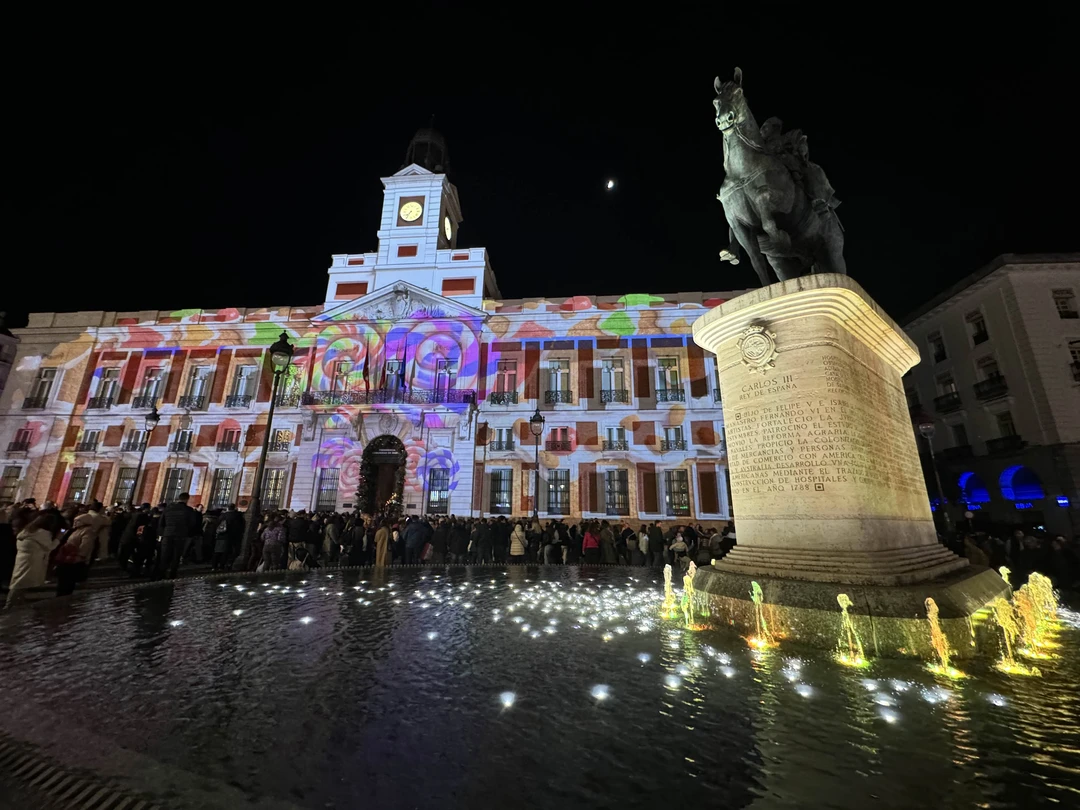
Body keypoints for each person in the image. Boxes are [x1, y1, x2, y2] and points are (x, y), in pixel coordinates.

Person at [6, 510, 63, 606]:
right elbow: (50, 547)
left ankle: (18, 600)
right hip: (32, 560)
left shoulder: (28, 529)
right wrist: (58, 538)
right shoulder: (42, 533)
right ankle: (10, 603)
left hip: (22, 558)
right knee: (20, 583)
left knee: (19, 580)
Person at [54, 501, 110, 597]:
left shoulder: (86, 531)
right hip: (69, 557)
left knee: (67, 581)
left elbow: (85, 545)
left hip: (72, 558)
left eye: (77, 521)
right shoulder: (79, 529)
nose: (75, 523)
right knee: (65, 580)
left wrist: (81, 556)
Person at [156, 493, 200, 579]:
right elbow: (192, 523)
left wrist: (162, 533)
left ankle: (161, 574)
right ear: (187, 499)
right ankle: (172, 574)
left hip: (167, 534)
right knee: (176, 555)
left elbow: (161, 523)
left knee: (164, 554)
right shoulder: (188, 510)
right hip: (181, 535)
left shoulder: (168, 509)